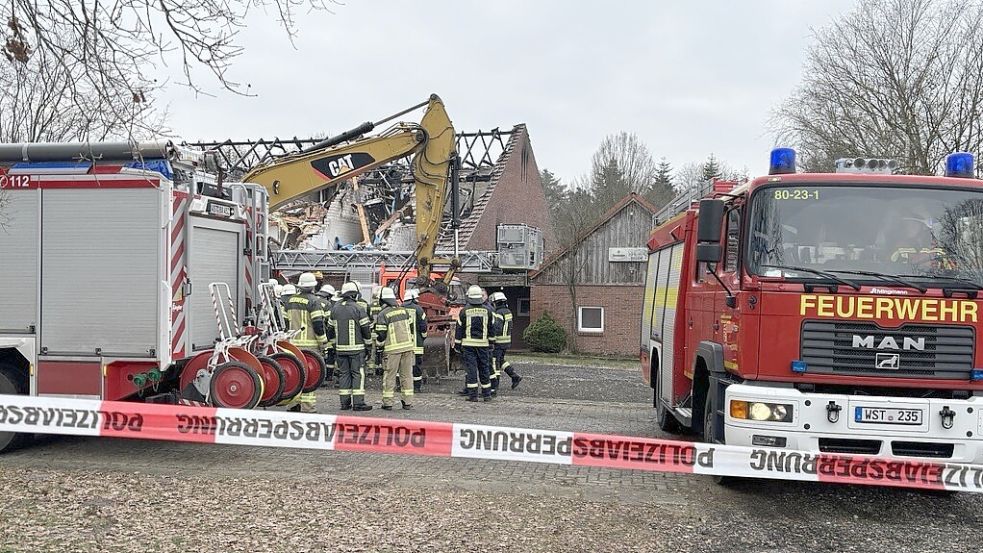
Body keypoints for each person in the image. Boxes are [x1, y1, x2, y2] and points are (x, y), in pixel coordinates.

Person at [326, 282, 373, 411]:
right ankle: (358, 403)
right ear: (353, 295)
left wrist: (335, 344)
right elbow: (366, 330)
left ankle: (344, 403)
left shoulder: (335, 308)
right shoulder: (358, 308)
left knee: (344, 374)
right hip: (357, 350)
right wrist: (369, 346)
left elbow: (329, 330)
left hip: (340, 349)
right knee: (358, 374)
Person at [284, 273, 327, 413]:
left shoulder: (289, 301)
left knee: (296, 375)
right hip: (309, 346)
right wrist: (323, 344)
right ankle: (308, 408)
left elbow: (284, 323)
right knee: (310, 376)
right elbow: (318, 325)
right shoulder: (314, 301)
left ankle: (293, 405)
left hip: (292, 345)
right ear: (313, 286)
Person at [455, 285, 499, 402]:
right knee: (484, 368)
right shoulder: (488, 311)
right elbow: (492, 329)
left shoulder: (464, 311)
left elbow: (459, 330)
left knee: (472, 370)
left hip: (468, 346)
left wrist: (457, 346)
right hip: (483, 346)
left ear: (469, 297)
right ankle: (487, 395)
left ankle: (473, 396)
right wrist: (491, 342)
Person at [375, 287, 416, 410]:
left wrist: (379, 347)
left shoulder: (383, 314)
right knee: (407, 375)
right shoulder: (404, 311)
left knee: (389, 376)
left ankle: (388, 402)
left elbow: (381, 334)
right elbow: (411, 327)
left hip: (392, 350)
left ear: (383, 300)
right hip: (408, 347)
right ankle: (407, 402)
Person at [489, 291, 522, 396]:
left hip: (498, 342)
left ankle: (495, 385)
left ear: (496, 302)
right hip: (506, 341)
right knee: (501, 360)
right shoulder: (508, 311)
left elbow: (497, 327)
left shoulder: (498, 313)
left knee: (495, 363)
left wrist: (491, 337)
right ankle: (514, 376)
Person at [402, 288, 428, 393]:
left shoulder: (400, 309)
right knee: (416, 366)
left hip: (402, 343)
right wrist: (423, 336)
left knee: (402, 365)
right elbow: (423, 326)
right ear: (413, 299)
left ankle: (401, 386)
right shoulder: (419, 309)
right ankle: (416, 387)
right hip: (416, 344)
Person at [316, 284, 337, 387]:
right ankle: (324, 377)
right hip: (323, 334)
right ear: (328, 295)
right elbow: (329, 323)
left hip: (310, 334)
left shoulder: (313, 300)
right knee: (325, 355)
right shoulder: (327, 304)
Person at [367, 286, 384, 376]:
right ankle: (380, 368)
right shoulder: (383, 306)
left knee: (372, 352)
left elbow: (369, 320)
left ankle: (370, 370)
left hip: (372, 332)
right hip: (381, 332)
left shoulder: (370, 306)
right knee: (381, 352)